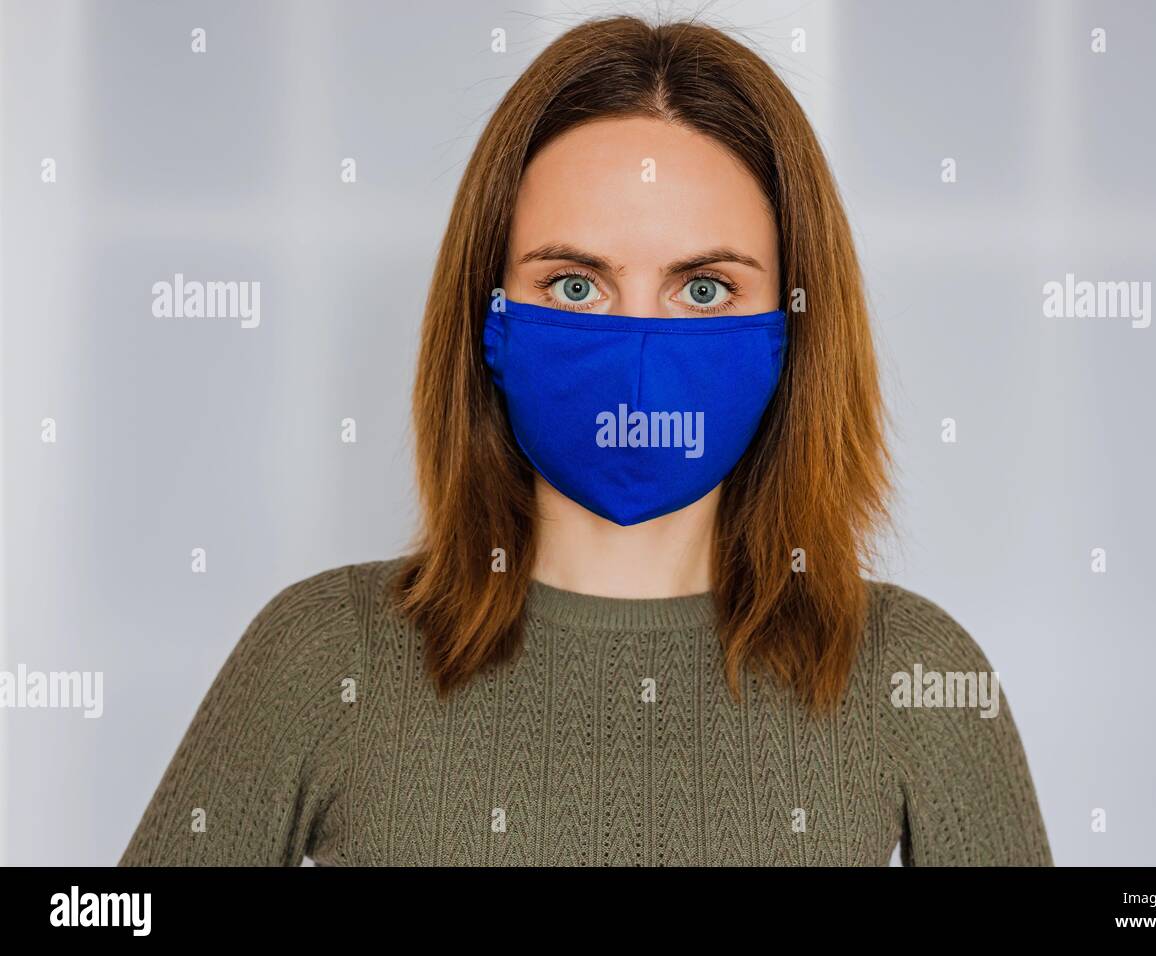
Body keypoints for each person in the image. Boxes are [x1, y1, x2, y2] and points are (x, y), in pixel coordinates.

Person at [120, 14, 1052, 866]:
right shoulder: (325, 657)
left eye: (703, 288)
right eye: (575, 285)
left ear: (795, 325)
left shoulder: (916, 678)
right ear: (488, 317)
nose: (638, 356)